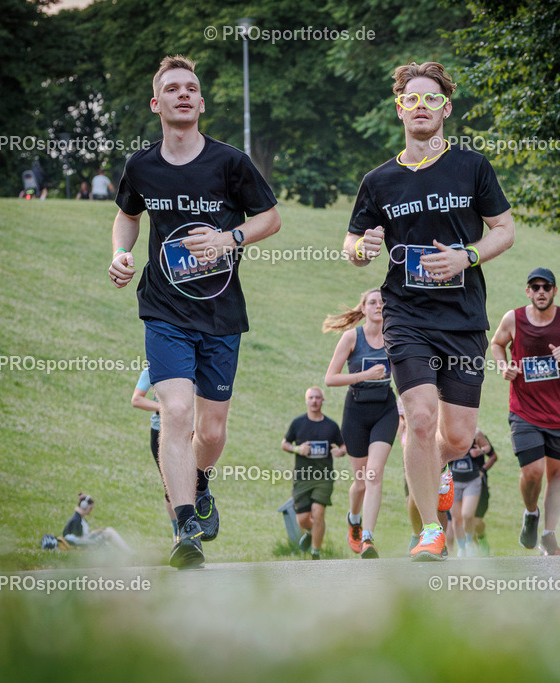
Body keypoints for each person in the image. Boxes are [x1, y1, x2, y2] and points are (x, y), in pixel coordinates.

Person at [107, 55, 281, 569]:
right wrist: (120, 253)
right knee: (177, 414)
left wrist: (230, 238)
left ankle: (201, 481)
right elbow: (126, 216)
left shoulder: (230, 163)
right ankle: (185, 528)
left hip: (222, 313)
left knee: (211, 430)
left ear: (201, 103)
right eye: (172, 88)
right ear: (156, 102)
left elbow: (269, 218)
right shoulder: (141, 166)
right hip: (163, 309)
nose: (183, 94)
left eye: (191, 88)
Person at [344, 61, 514, 561]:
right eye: (411, 100)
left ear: (447, 108)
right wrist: (362, 247)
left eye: (431, 100)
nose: (421, 107)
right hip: (407, 313)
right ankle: (430, 532)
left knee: (457, 436)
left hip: (463, 317)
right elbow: (353, 243)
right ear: (399, 109)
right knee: (420, 418)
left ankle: (434, 471)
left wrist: (469, 255)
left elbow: (504, 229)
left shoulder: (471, 166)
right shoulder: (378, 181)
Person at [490, 267, 560, 555]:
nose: (540, 292)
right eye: (535, 287)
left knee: (557, 474)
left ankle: (549, 534)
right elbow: (497, 344)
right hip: (524, 409)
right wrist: (504, 367)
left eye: (546, 287)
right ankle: (531, 513)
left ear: (554, 291)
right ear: (528, 291)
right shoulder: (513, 318)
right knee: (533, 472)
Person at [323, 289, 397, 559]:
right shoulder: (352, 337)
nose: (379, 306)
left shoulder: (394, 337)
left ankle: (368, 538)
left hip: (385, 410)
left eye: (382, 302)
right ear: (363, 309)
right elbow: (330, 378)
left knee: (374, 474)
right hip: (356, 411)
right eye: (373, 302)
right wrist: (365, 374)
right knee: (361, 482)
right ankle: (354, 519)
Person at [281, 387, 347, 559]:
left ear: (322, 400)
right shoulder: (298, 423)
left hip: (323, 477)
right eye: (311, 397)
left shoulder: (331, 426)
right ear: (306, 400)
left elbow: (343, 446)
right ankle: (311, 532)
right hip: (302, 476)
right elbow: (285, 444)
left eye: (318, 397)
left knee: (318, 512)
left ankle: (315, 553)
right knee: (302, 519)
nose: (314, 401)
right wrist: (297, 449)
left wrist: (340, 452)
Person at [132, 367, 178, 539]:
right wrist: (167, 408)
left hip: (191, 431)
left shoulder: (193, 364)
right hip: (161, 432)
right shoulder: (152, 369)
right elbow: (136, 400)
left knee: (193, 483)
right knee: (171, 487)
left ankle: (192, 525)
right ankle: (178, 532)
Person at [62, 493, 133, 553]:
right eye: (90, 508)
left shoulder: (80, 519)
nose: (91, 511)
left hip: (86, 541)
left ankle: (127, 552)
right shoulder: (76, 520)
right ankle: (129, 552)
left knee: (108, 531)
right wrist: (93, 534)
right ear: (84, 506)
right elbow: (79, 539)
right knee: (110, 532)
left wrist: (94, 533)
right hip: (85, 543)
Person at [471, 427, 497, 554]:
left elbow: (493, 456)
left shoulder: (477, 434)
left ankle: (481, 540)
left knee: (476, 521)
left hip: (478, 485)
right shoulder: (449, 432)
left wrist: (483, 470)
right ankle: (471, 552)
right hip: (458, 483)